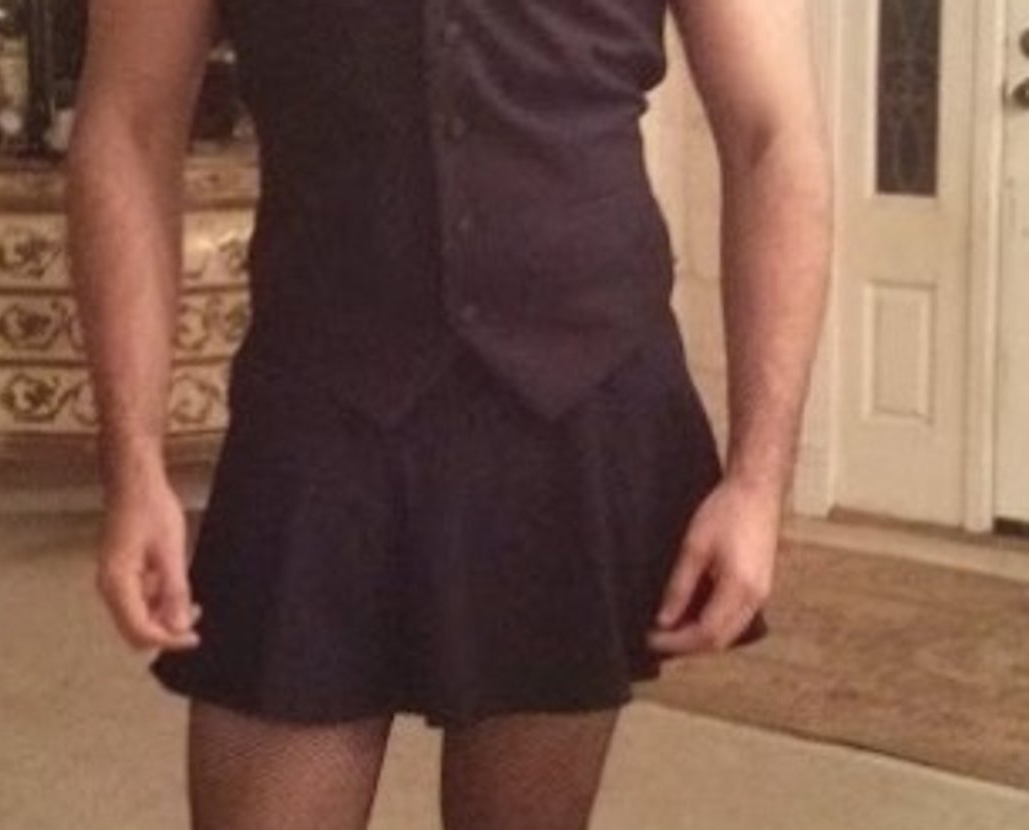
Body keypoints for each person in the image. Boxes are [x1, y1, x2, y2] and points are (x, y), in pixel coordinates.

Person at [66, 0, 831, 827]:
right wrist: (133, 465)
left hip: (576, 399)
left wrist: (759, 483)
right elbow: (129, 127)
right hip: (321, 392)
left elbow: (771, 136)